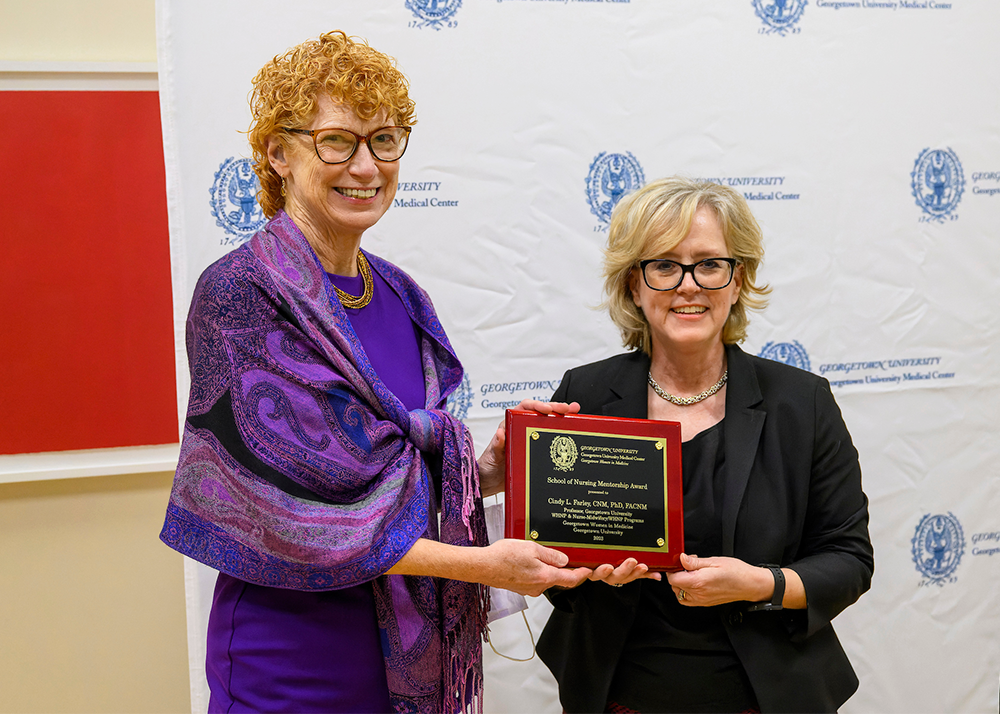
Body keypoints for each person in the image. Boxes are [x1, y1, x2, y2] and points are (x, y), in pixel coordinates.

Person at [159, 31, 591, 714]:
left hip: (405, 658)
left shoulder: (400, 294)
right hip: (291, 658)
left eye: (384, 141)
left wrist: (486, 471)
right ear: (278, 152)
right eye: (337, 141)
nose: (365, 166)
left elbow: (385, 482)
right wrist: (482, 565)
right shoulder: (241, 292)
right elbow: (292, 516)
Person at [536, 177, 874, 714]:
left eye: (709, 264)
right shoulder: (586, 395)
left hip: (767, 696)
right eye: (664, 265)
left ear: (738, 281)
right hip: (617, 696)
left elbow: (849, 559)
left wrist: (760, 583)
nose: (687, 285)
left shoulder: (800, 402)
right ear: (633, 285)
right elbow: (550, 557)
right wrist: (581, 572)